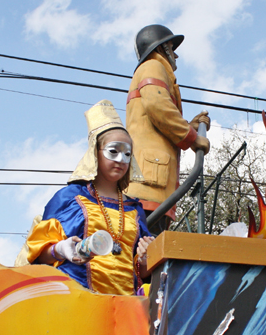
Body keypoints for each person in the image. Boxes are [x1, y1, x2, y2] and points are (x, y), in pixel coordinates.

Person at [14, 100, 155, 295]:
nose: (121, 160)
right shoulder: (69, 198)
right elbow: (36, 256)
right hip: (75, 304)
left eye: (127, 154)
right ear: (95, 153)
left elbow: (141, 272)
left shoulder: (134, 208)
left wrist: (145, 260)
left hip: (125, 310)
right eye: (113, 151)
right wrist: (60, 249)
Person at [125, 24, 211, 234]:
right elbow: (158, 106)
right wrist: (193, 138)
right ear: (161, 49)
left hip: (152, 188)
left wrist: (190, 126)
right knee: (145, 254)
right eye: (172, 48)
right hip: (147, 187)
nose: (176, 55)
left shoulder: (157, 71)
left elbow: (159, 120)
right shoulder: (153, 66)